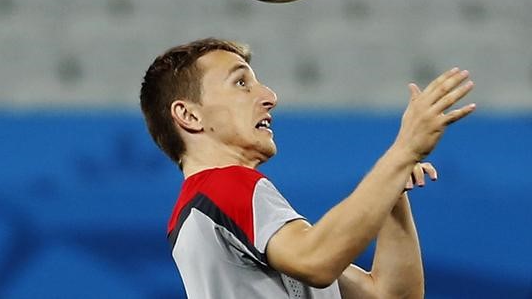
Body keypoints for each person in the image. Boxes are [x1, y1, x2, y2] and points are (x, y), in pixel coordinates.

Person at [139, 37, 476, 299]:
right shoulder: (223, 188)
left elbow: (390, 294)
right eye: (241, 83)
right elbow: (316, 259)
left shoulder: (214, 206)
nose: (270, 95)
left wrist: (392, 193)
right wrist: (403, 151)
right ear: (189, 115)